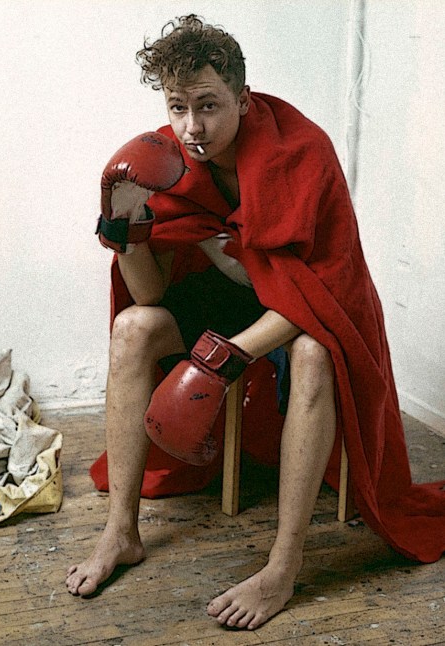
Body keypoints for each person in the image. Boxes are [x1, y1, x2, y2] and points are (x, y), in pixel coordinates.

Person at [66, 14, 445, 631]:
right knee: (133, 328)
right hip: (226, 299)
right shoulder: (162, 161)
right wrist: (124, 222)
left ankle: (282, 566)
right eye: (178, 107)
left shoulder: (302, 151)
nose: (192, 127)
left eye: (209, 106)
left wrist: (219, 358)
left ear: (243, 99)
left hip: (302, 309)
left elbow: (322, 292)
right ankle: (121, 533)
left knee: (315, 354)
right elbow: (151, 292)